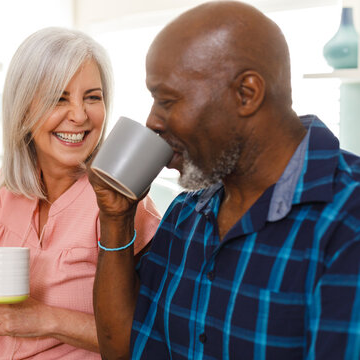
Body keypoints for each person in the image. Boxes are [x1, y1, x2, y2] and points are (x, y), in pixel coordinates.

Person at [88, 1, 360, 359]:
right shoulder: (187, 214)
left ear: (246, 93)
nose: (152, 121)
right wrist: (116, 219)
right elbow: (124, 348)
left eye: (166, 100)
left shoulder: (347, 220)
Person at [0, 27, 161, 359]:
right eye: (58, 98)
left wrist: (45, 319)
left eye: (93, 97)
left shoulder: (123, 202)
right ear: (23, 108)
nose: (78, 115)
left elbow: (152, 337)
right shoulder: (5, 189)